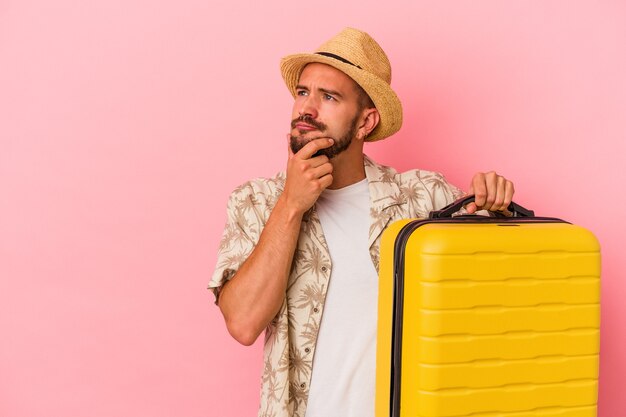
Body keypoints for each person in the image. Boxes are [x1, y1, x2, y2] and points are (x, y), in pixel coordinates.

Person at [209, 28, 515, 417]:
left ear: (365, 122)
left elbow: (497, 293)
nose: (307, 109)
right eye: (303, 92)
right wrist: (291, 205)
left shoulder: (423, 197)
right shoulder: (255, 201)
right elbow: (243, 324)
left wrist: (495, 202)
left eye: (329, 97)